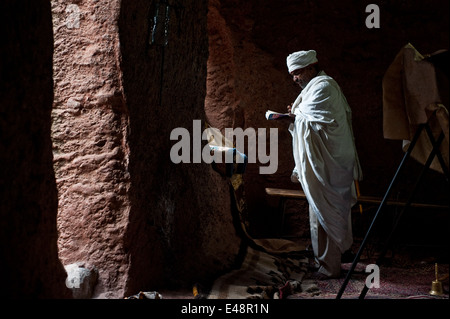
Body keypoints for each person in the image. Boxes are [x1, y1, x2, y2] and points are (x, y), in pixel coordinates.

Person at [285, 50, 363, 279]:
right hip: (323, 162)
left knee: (328, 210)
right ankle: (326, 262)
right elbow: (309, 118)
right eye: (292, 74)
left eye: (297, 72)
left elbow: (312, 119)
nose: (295, 78)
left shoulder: (323, 86)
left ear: (311, 67)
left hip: (331, 163)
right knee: (318, 210)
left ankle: (331, 265)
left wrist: (294, 116)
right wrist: (296, 114)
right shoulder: (313, 88)